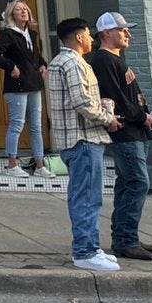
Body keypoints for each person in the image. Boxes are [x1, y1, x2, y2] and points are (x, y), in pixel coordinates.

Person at [45, 16, 118, 272]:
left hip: (78, 139)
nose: (92, 39)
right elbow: (82, 103)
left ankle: (92, 247)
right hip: (82, 139)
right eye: (88, 34)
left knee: (88, 196)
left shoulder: (66, 62)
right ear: (78, 37)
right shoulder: (72, 62)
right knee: (86, 198)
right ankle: (85, 251)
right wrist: (108, 118)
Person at [88, 11, 152, 260]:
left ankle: (125, 237)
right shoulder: (103, 60)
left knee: (128, 183)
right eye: (121, 30)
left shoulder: (117, 59)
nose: (127, 33)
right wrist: (141, 117)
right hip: (125, 131)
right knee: (138, 182)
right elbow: (114, 97)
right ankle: (126, 240)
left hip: (136, 130)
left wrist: (145, 116)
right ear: (106, 33)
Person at [0, 0, 48, 174]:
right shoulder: (8, 34)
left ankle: (40, 165)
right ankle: (12, 164)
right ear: (12, 14)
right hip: (17, 86)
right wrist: (10, 66)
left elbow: (33, 54)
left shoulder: (31, 34)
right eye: (18, 9)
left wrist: (42, 63)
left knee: (36, 126)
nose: (23, 12)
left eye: (25, 9)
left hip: (34, 83)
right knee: (17, 124)